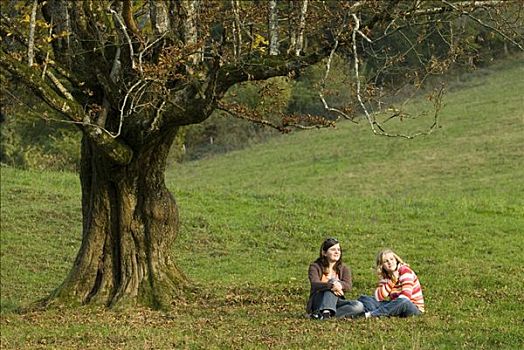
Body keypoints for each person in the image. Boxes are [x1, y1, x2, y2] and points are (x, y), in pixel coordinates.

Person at [306, 237, 364, 320]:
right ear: (324, 253)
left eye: (339, 250)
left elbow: (348, 286)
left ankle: (324, 315)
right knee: (333, 280)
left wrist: (339, 285)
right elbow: (315, 284)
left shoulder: (344, 268)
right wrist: (332, 285)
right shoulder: (315, 266)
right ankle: (324, 312)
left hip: (337, 301)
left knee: (358, 306)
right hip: (318, 301)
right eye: (333, 249)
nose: (337, 252)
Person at [358, 248, 425, 318]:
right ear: (382, 266)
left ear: (396, 260)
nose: (390, 262)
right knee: (365, 299)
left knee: (403, 301)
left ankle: (372, 314)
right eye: (386, 261)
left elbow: (406, 296)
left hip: (412, 307)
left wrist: (390, 306)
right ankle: (383, 312)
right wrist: (392, 281)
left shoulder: (405, 271)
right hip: (394, 305)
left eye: (392, 259)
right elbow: (378, 297)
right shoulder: (386, 277)